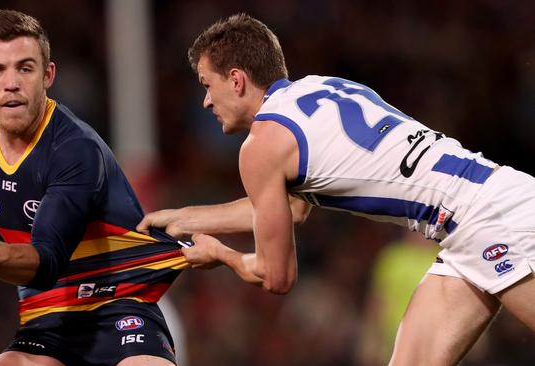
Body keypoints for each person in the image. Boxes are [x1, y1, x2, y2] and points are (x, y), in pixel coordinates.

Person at [137, 13, 535, 365]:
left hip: (487, 221)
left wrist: (220, 254)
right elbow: (289, 208)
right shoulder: (323, 88)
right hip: (483, 209)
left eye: (208, 85)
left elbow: (277, 276)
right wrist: (184, 217)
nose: (206, 101)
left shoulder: (261, 146)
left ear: (237, 80)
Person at [0, 9, 188, 366]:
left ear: (48, 75)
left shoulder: (75, 149)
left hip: (121, 310)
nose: (11, 83)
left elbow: (44, 264)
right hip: (48, 319)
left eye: (25, 67)